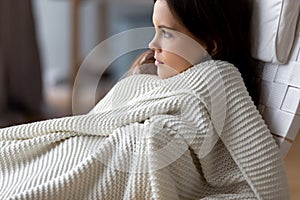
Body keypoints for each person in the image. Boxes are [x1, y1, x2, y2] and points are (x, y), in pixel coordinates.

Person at [0, 0, 289, 199]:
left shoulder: (220, 79)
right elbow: (98, 122)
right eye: (154, 30)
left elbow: (265, 183)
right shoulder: (156, 76)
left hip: (133, 157)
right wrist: (138, 78)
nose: (153, 44)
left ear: (210, 45)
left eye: (167, 34)